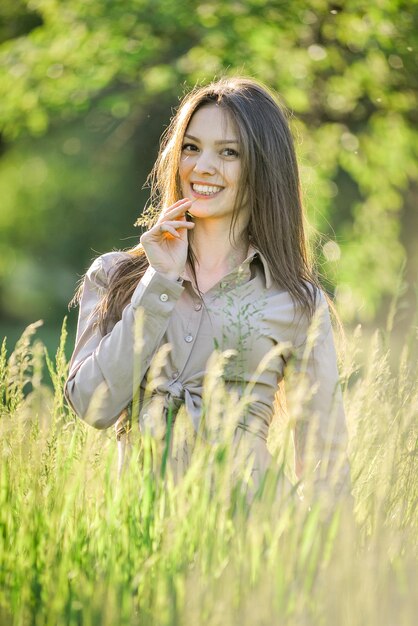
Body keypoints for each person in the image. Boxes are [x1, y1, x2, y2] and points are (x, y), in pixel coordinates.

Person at [64, 76, 351, 503]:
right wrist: (159, 281)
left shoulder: (295, 301)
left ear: (263, 166)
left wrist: (310, 557)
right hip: (140, 538)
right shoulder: (115, 276)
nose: (202, 167)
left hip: (252, 537)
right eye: (191, 147)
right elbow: (93, 406)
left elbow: (325, 459)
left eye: (229, 152)